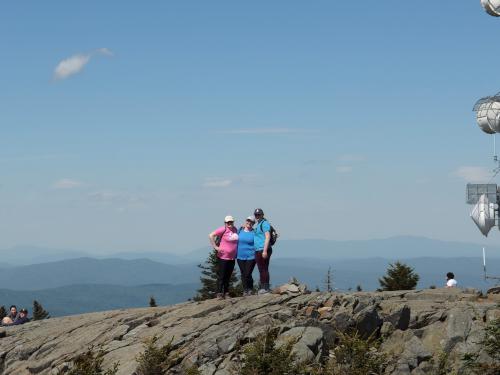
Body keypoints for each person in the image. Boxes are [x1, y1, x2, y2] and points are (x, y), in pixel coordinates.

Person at [209, 215, 239, 299]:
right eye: (228, 222)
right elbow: (211, 235)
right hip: (223, 257)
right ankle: (219, 293)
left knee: (228, 276)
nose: (230, 223)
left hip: (232, 258)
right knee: (221, 276)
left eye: (231, 222)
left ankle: (226, 292)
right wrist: (215, 247)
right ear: (225, 223)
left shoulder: (235, 229)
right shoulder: (223, 229)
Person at [253, 208, 272, 293]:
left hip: (263, 249)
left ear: (262, 215)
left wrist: (264, 251)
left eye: (259, 215)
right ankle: (263, 287)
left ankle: (265, 287)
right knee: (261, 269)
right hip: (258, 249)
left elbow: (267, 237)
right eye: (256, 215)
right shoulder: (258, 224)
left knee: (264, 268)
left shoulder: (264, 224)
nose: (257, 216)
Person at [237, 217, 256, 296]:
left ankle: (250, 289)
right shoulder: (239, 231)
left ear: (253, 224)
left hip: (251, 256)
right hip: (240, 256)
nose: (249, 222)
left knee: (248, 273)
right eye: (248, 221)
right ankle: (245, 290)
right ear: (246, 221)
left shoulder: (254, 232)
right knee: (243, 273)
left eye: (251, 222)